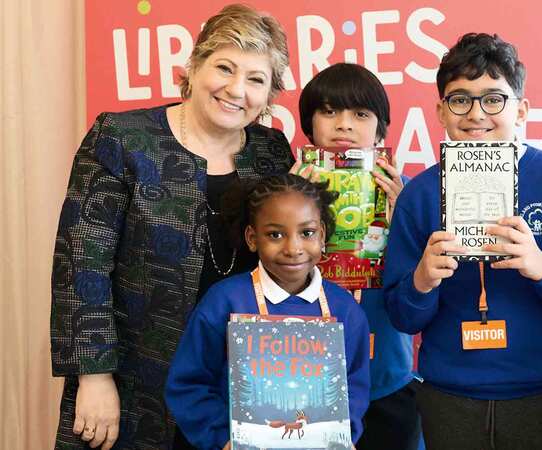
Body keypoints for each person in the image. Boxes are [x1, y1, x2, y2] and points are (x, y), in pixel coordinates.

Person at [49, 4, 294, 449]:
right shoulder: (123, 138)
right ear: (194, 66)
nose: (236, 89)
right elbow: (81, 263)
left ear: (270, 93)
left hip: (237, 381)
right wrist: (94, 375)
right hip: (134, 378)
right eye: (224, 67)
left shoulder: (272, 152)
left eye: (256, 79)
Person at [382, 33, 542, 450]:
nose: (476, 113)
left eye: (493, 99)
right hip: (449, 394)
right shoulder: (422, 194)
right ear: (440, 111)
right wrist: (422, 282)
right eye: (460, 99)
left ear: (521, 110)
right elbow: (402, 316)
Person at [164, 173, 371, 449]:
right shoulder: (225, 302)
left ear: (321, 235)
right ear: (252, 238)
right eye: (275, 234)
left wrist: (345, 433)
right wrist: (223, 438)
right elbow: (188, 384)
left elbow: (355, 387)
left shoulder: (345, 310)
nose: (293, 248)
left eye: (306, 233)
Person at [296, 62, 421, 450]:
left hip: (389, 375)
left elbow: (427, 286)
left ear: (381, 129)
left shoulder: (409, 194)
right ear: (310, 123)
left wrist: (406, 219)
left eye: (360, 114)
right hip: (306, 378)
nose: (343, 125)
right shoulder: (285, 192)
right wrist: (290, 209)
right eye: (329, 111)